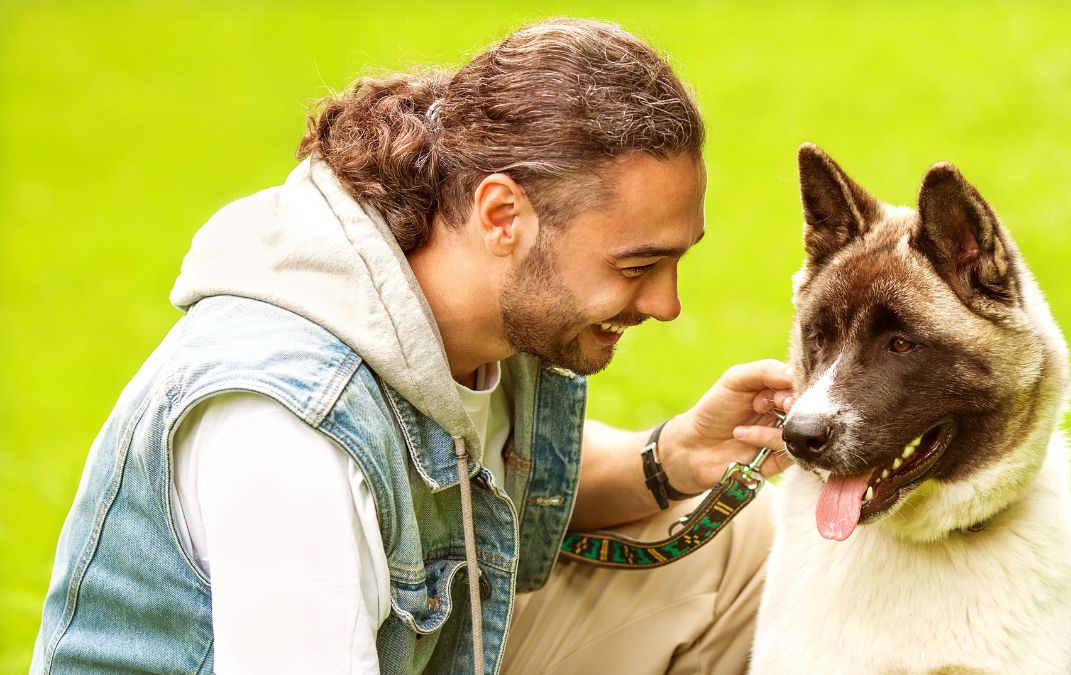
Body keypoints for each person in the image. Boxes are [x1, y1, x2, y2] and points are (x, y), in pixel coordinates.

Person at [30, 18, 793, 675]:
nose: (667, 304)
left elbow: (472, 470)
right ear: (502, 214)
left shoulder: (466, 301)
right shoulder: (292, 437)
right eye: (637, 265)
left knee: (748, 549)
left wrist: (672, 459)